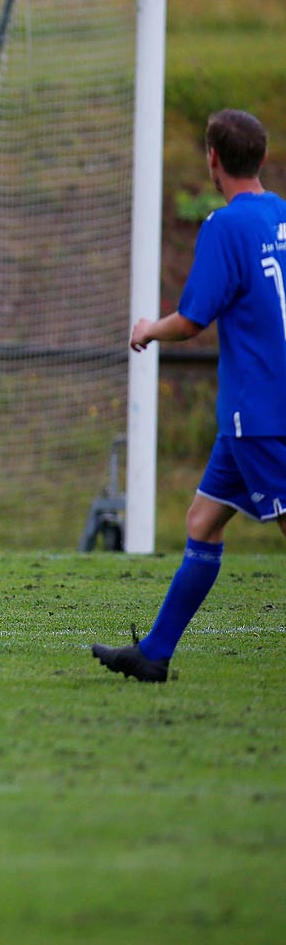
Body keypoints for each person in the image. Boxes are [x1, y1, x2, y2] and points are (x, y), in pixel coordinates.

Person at [94, 110, 286, 683]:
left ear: (212, 160)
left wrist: (149, 328)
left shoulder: (224, 227)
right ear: (262, 157)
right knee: (203, 520)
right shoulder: (280, 214)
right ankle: (154, 654)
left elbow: (194, 320)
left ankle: (155, 652)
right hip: (248, 416)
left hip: (263, 412)